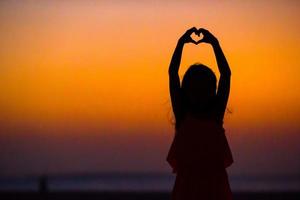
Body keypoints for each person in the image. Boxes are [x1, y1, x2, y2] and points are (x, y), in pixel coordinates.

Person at [166, 27, 234, 200]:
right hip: (187, 188)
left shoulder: (215, 115)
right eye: (195, 89)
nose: (200, 94)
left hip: (215, 188)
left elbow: (226, 75)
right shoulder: (183, 115)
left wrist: (215, 44)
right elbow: (173, 74)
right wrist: (180, 43)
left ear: (212, 91)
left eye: (204, 89)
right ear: (186, 92)